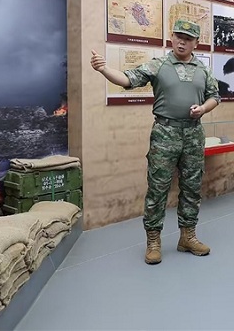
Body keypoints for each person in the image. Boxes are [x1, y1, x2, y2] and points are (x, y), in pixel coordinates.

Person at [90, 20, 220, 265]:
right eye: (179, 36)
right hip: (164, 133)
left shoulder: (203, 69)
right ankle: (153, 241)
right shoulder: (158, 65)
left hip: (193, 134)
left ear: (196, 43)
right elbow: (127, 79)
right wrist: (104, 69)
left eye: (188, 38)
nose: (182, 42)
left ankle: (187, 236)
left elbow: (215, 96)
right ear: (172, 37)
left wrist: (203, 108)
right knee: (158, 188)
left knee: (192, 187)